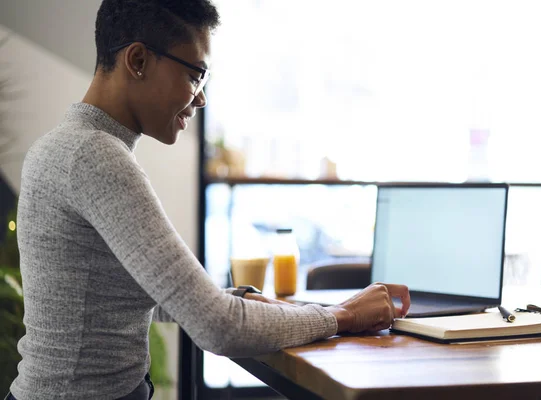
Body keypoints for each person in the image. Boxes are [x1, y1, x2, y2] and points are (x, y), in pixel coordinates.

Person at [6, 1, 411, 399]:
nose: (200, 98)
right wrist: (343, 316)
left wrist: (245, 301)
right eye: (196, 74)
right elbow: (218, 328)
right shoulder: (95, 156)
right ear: (138, 60)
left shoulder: (67, 145)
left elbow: (145, 294)